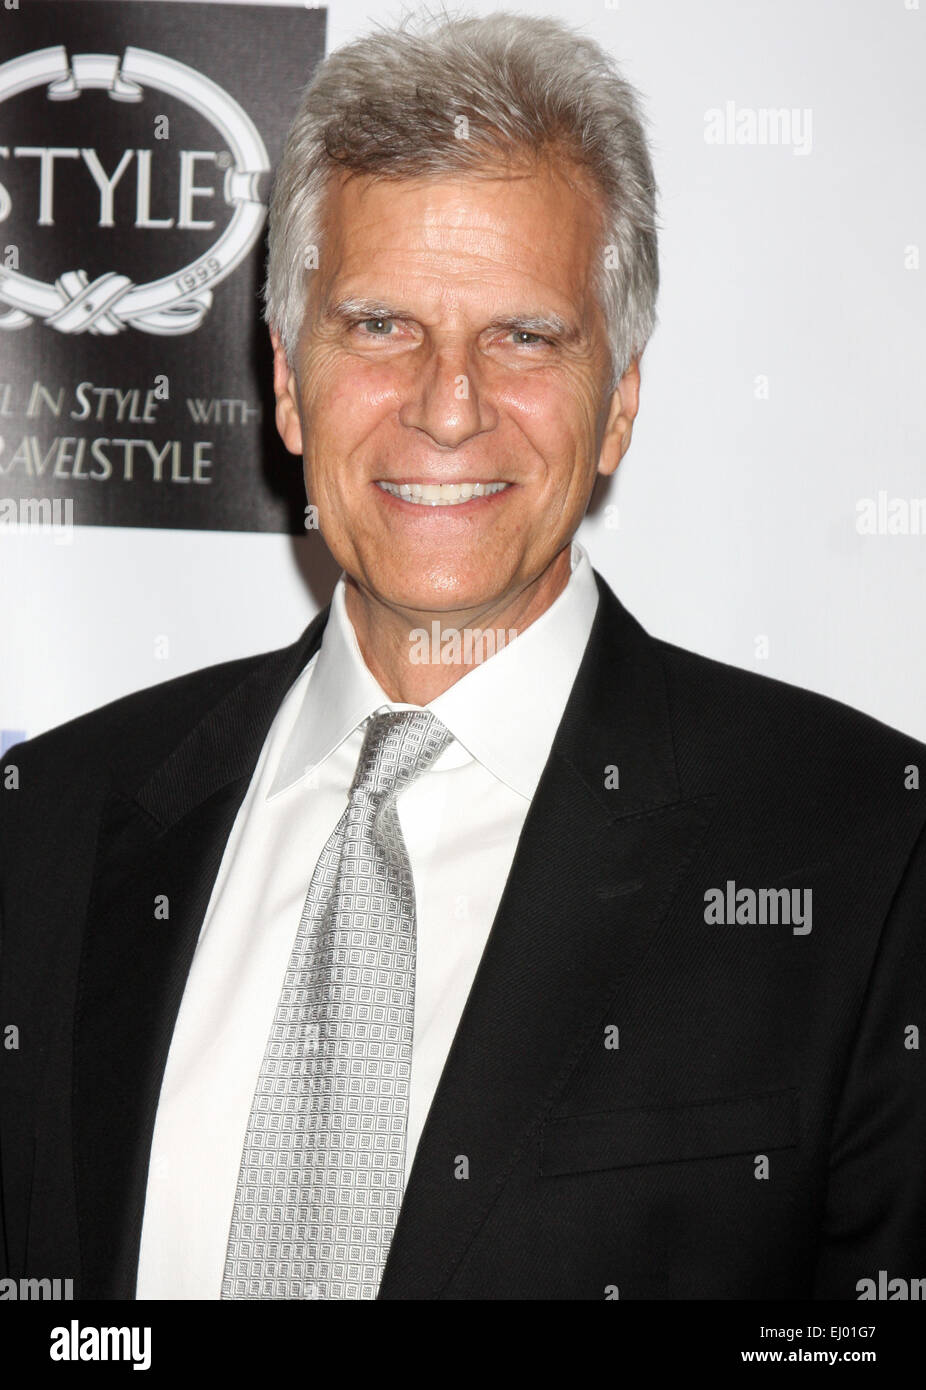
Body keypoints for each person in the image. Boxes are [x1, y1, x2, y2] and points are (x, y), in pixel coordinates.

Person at [1, 11, 923, 1302]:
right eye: (377, 325)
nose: (447, 405)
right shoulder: (48, 822)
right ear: (282, 379)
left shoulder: (868, 850)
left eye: (523, 336)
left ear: (620, 400)